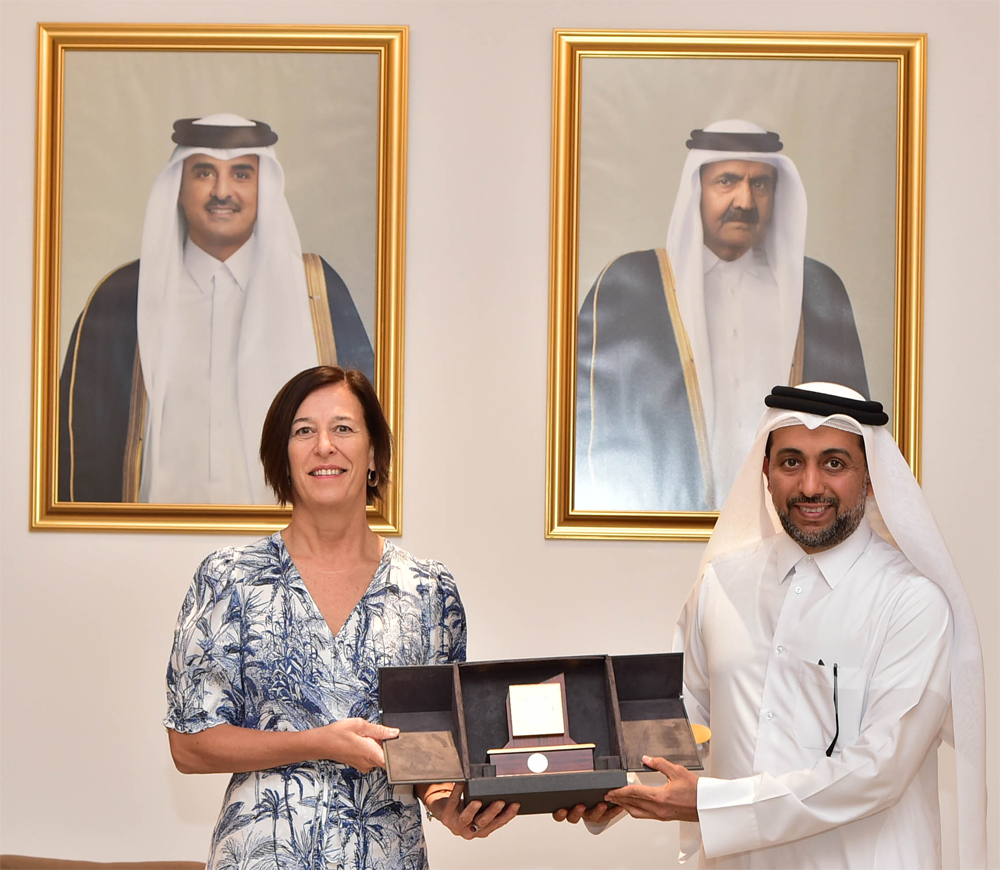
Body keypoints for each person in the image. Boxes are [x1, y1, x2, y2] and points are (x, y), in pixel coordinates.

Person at [562, 383, 987, 869]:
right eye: (791, 462)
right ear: (765, 472)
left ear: (870, 478)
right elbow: (678, 724)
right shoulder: (721, 584)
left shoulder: (912, 602)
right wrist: (608, 787)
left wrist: (711, 805)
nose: (810, 486)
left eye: (834, 463)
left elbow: (880, 771)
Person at [164, 366, 518, 868]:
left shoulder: (427, 590)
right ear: (283, 458)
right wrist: (317, 743)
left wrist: (449, 808)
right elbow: (189, 746)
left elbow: (431, 746)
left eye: (343, 428)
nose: (324, 446)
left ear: (373, 455)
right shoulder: (229, 578)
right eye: (303, 431)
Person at [59, 114, 374, 504]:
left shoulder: (317, 290)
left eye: (241, 174)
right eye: (204, 173)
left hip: (286, 537)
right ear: (179, 187)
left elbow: (365, 433)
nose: (222, 192)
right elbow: (80, 447)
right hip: (152, 533)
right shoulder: (120, 299)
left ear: (264, 189)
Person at [576, 120, 870, 512]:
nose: (745, 201)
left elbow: (857, 434)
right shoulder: (629, 285)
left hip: (790, 528)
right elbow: (591, 431)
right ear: (697, 190)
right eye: (727, 181)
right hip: (664, 525)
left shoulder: (818, 290)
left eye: (760, 184)